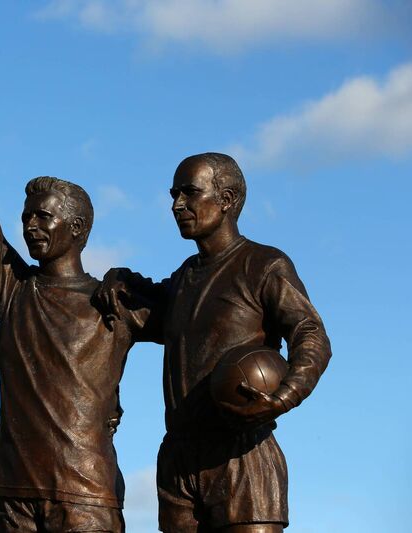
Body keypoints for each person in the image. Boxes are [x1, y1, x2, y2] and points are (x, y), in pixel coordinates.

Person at [0, 60, 156, 533]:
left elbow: (196, 322)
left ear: (77, 229)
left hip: (87, 496)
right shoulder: (15, 289)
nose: (29, 225)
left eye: (43, 218)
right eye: (27, 216)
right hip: (16, 495)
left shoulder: (115, 300)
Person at [96, 153, 332, 532]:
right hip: (179, 462)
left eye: (189, 193)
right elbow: (141, 308)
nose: (177, 205)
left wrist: (286, 394)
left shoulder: (264, 265)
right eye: (174, 194)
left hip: (242, 455)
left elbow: (310, 332)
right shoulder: (184, 278)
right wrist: (120, 276)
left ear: (227, 200)